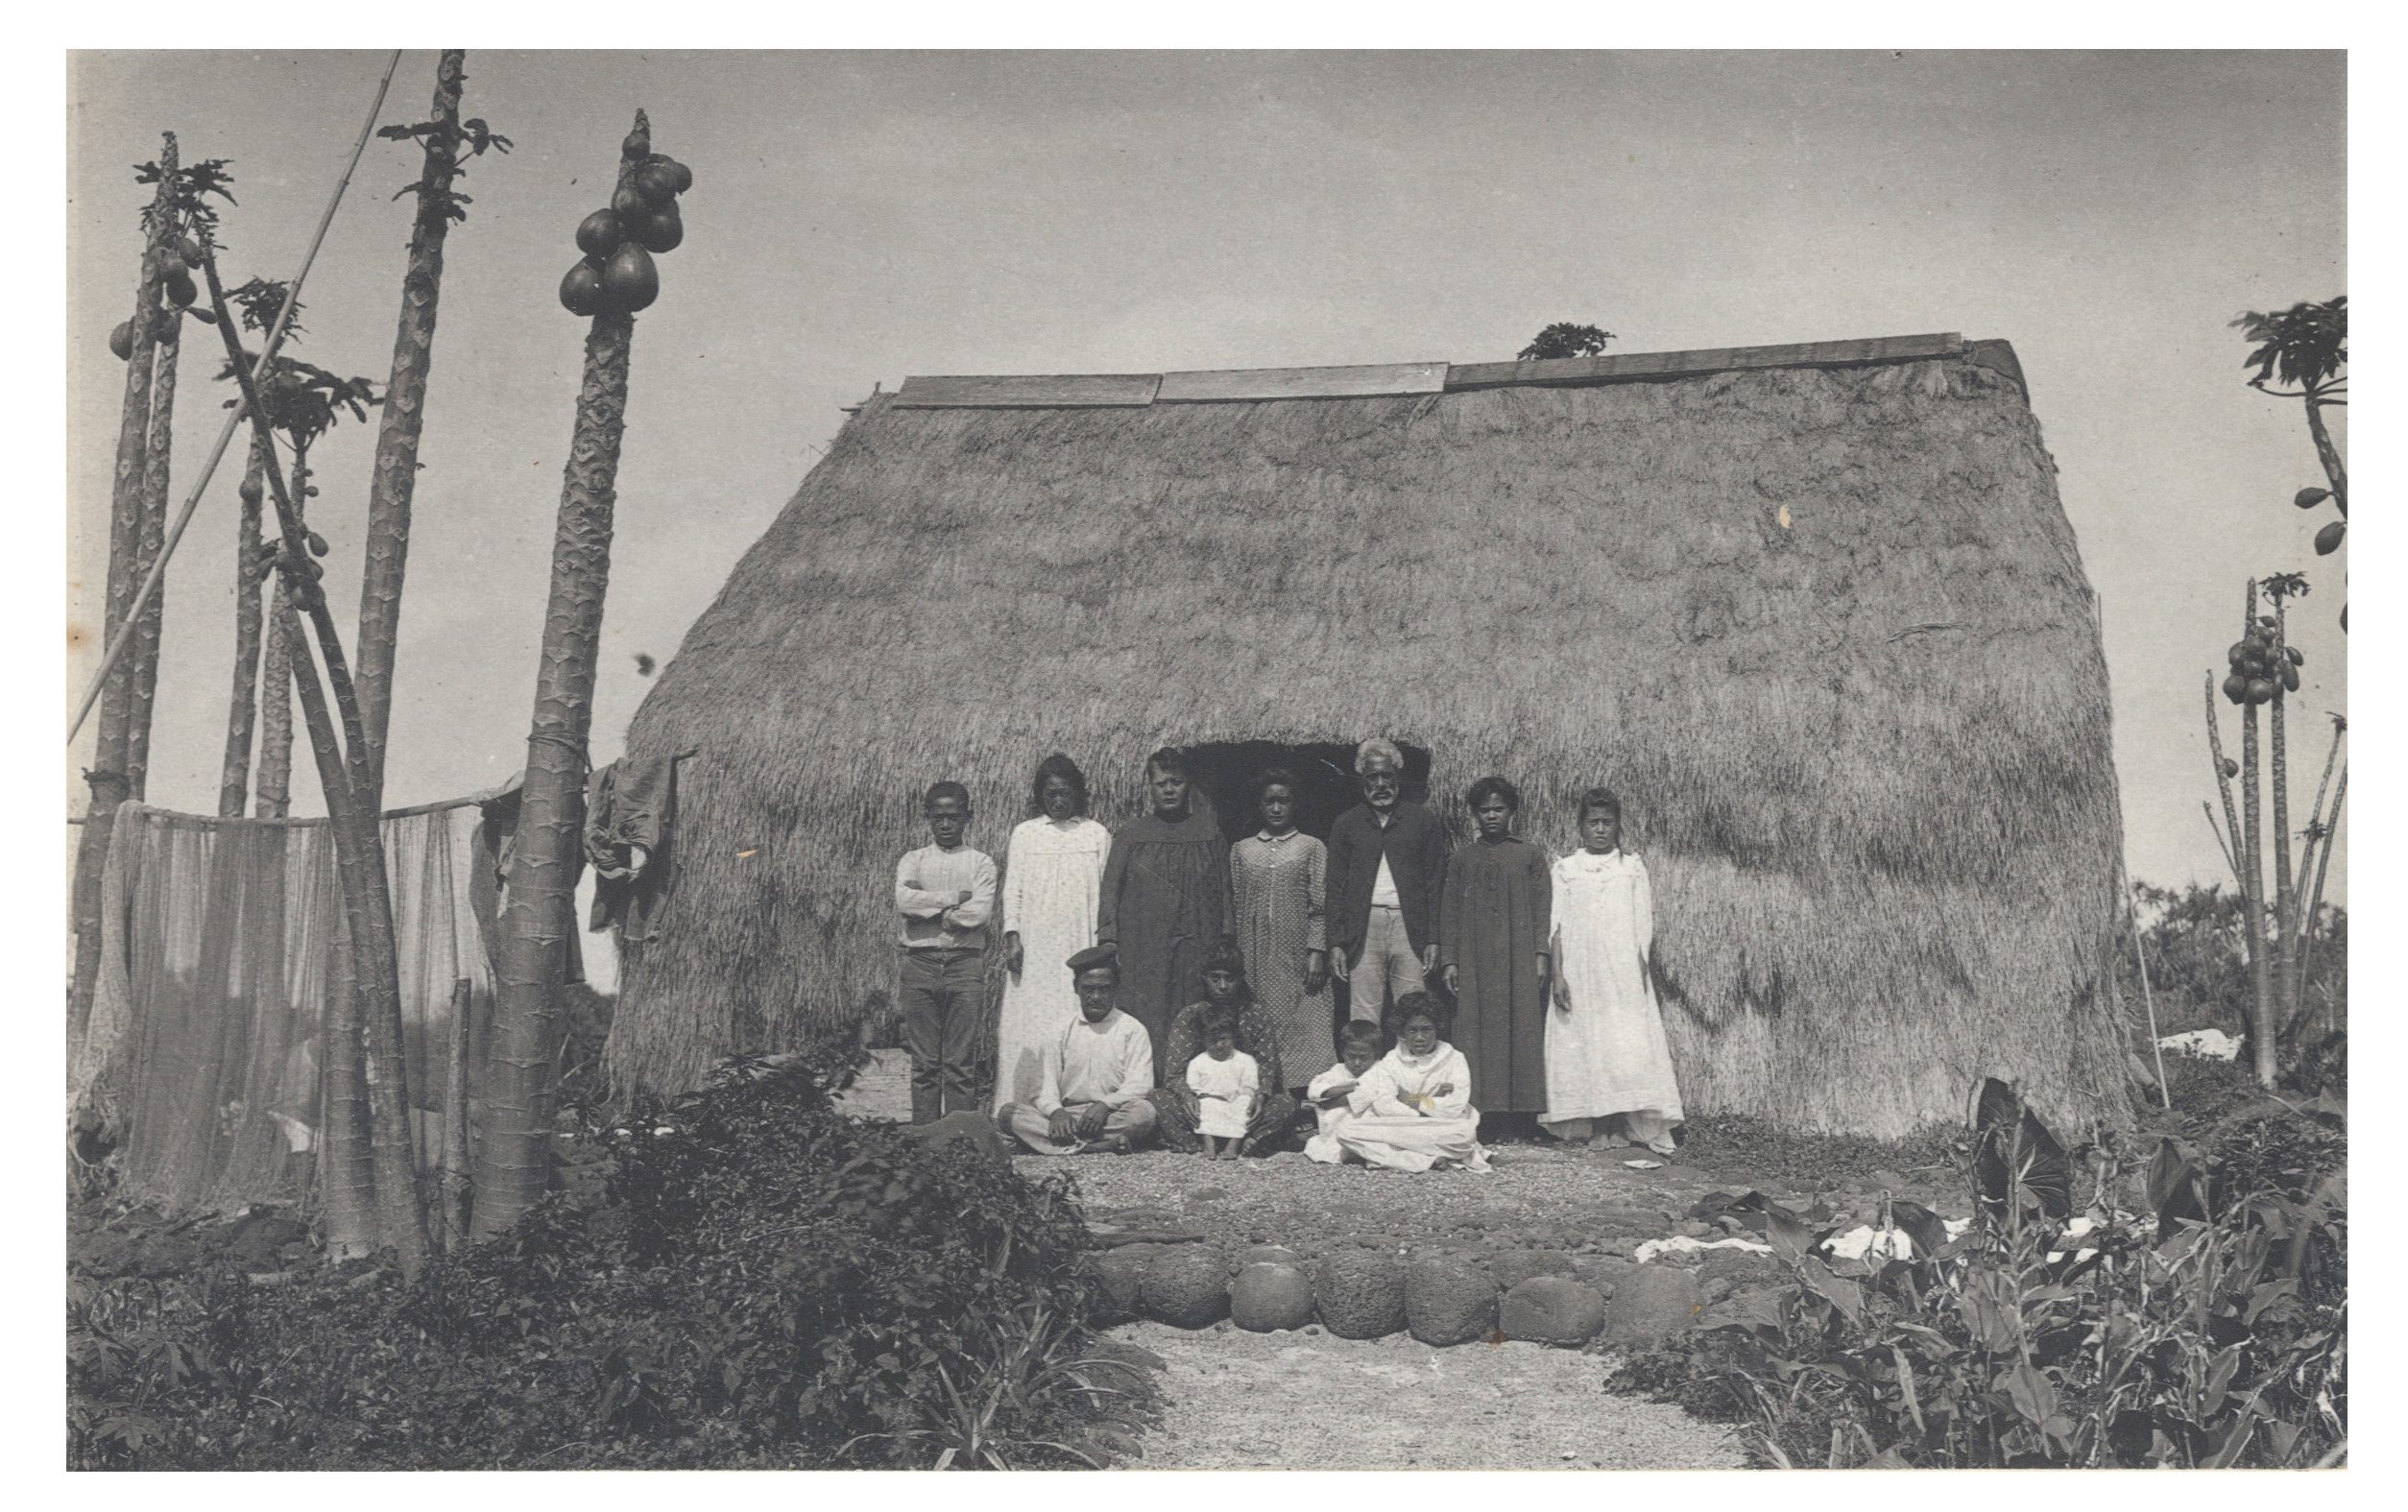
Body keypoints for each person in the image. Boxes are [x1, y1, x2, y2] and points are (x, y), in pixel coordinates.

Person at [1543, 787, 1684, 1155]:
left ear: (1618, 826)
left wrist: (1636, 974)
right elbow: (1555, 927)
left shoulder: (1632, 868)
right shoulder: (1566, 869)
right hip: (1581, 969)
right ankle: (1596, 1127)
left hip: (1619, 971)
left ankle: (1621, 1123)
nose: (1601, 830)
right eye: (1594, 823)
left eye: (1608, 823)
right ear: (1581, 827)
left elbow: (1643, 927)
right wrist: (1559, 974)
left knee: (1621, 1047)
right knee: (1586, 1042)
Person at [1096, 746, 1235, 1069]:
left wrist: (1227, 934)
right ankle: (1148, 1082)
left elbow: (1225, 890)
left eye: (1176, 781)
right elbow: (1110, 888)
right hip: (1145, 944)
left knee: (1193, 1005)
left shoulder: (1209, 832)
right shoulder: (1132, 834)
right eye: (1161, 783)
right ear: (1150, 786)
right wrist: (1109, 936)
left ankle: (1194, 1080)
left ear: (1188, 784)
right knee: (1148, 1011)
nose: (1170, 790)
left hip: (1197, 939)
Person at [993, 754, 1113, 1111]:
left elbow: (1106, 894)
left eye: (1065, 793)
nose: (1058, 801)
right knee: (1029, 1019)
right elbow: (1011, 889)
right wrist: (1013, 935)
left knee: (1074, 1013)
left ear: (1078, 793)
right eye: (1051, 794)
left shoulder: (1096, 833)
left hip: (1078, 940)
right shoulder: (1026, 834)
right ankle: (1020, 1104)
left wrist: (1099, 948)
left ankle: (1075, 1103)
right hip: (1037, 944)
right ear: (1040, 796)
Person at [1438, 775, 1553, 1129]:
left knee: (1521, 1028)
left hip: (1517, 959)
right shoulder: (1462, 859)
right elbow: (1450, 913)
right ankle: (1481, 1115)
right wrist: (1451, 960)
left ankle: (1523, 1117)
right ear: (1474, 814)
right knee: (1476, 1030)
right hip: (1475, 960)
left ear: (1512, 812)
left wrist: (1539, 955)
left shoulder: (1529, 855)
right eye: (1484, 810)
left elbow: (1542, 908)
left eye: (1499, 809)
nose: (1491, 816)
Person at [1325, 737, 1450, 1025]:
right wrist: (1336, 942)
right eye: (1372, 777)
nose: (1380, 784)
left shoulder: (1422, 821)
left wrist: (1433, 937)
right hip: (1364, 928)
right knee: (1364, 1015)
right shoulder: (1347, 824)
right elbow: (1335, 887)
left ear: (1399, 777)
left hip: (1410, 928)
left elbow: (1434, 882)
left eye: (1387, 776)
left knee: (1413, 1012)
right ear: (1361, 781)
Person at [894, 780, 998, 1123]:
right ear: (927, 817)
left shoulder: (981, 863)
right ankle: (924, 1144)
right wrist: (954, 900)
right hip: (920, 964)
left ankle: (959, 1145)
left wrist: (930, 907)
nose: (945, 824)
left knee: (959, 1064)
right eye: (937, 817)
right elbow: (905, 901)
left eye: (953, 817)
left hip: (964, 965)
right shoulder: (913, 859)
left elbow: (979, 913)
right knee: (924, 1065)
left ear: (968, 817)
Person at [996, 945, 1159, 1155]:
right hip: (1068, 1115)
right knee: (1008, 1114)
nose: (1096, 997)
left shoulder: (1132, 1029)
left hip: (1110, 1114)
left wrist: (1104, 1105)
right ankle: (1099, 1146)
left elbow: (1141, 1084)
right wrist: (1056, 1113)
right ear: (1075, 987)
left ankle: (1058, 1144)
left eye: (1104, 989)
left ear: (1116, 987)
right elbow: (1043, 1085)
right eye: (1088, 989)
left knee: (1144, 1114)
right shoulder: (1060, 1029)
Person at [1230, 767, 1335, 1092]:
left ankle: (1308, 1099)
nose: (1276, 808)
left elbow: (1320, 904)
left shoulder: (1311, 847)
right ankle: (1268, 1096)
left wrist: (1316, 951)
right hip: (1255, 956)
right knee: (1261, 1023)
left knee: (1308, 1023)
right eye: (1269, 801)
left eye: (1284, 801)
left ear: (1295, 805)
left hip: (1299, 955)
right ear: (1259, 806)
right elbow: (1235, 904)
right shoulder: (1242, 850)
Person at [1304, 992, 1490, 1173]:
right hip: (1402, 1126)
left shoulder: (1455, 1059)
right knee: (1346, 1132)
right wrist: (1427, 1107)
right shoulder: (1391, 1061)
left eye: (1426, 1029)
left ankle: (1400, 1154)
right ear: (1402, 1031)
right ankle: (1423, 1159)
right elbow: (1384, 1104)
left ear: (1437, 1029)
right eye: (1412, 1030)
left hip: (1439, 1128)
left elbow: (1454, 1107)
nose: (1419, 1037)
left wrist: (1410, 1098)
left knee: (1465, 1135)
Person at [1153, 940, 1296, 1155]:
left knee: (1286, 1104)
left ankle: (1250, 1138)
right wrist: (1188, 1097)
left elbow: (1267, 1067)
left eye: (1230, 979)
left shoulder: (1256, 1016)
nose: (1222, 986)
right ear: (1204, 978)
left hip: (1242, 1101)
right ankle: (1199, 1143)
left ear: (1240, 979)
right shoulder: (1189, 1016)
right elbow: (1174, 1072)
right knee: (1158, 1098)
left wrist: (1260, 1097)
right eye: (1215, 978)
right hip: (1203, 1103)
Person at [1301, 1019, 1385, 1165]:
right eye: (1352, 1056)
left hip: (1366, 1126)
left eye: (1364, 1058)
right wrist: (1350, 1087)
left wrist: (1330, 1102)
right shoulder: (1338, 1070)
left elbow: (1369, 1094)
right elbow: (1314, 1090)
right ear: (1342, 1052)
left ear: (1376, 1054)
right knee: (1324, 1149)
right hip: (1336, 1129)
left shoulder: (1380, 1070)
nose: (1357, 1063)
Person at [1184, 1005, 1260, 1160]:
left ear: (1233, 1036)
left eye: (1223, 1039)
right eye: (1212, 1041)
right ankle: (1209, 1144)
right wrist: (1201, 1098)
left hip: (1235, 1103)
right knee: (1203, 1105)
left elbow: (1250, 1086)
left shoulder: (1245, 1061)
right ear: (1203, 1040)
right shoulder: (1198, 1063)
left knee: (1244, 1104)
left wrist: (1244, 1097)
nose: (1219, 1045)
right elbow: (1194, 1089)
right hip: (1211, 1103)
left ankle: (1233, 1145)